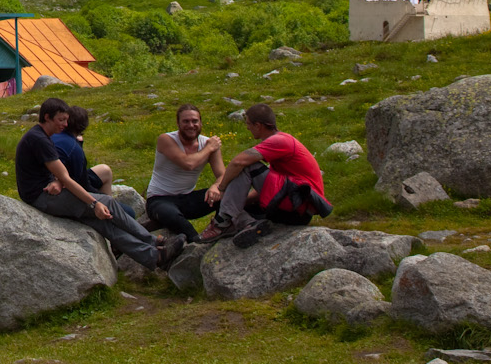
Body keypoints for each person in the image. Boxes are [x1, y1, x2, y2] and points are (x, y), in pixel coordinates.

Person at [16, 96, 184, 270]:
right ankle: (153, 241)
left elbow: (54, 172)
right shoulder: (40, 139)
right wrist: (94, 203)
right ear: (47, 117)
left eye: (66, 120)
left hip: (44, 192)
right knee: (108, 202)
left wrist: (56, 181)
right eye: (61, 120)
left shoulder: (43, 136)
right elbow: (66, 177)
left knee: (102, 223)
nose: (65, 124)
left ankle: (154, 256)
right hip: (41, 197)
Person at [201, 103, 329, 248]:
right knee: (233, 206)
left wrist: (222, 188)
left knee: (248, 166)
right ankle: (249, 225)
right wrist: (240, 200)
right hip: (296, 206)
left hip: (297, 208)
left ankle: (222, 223)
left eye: (249, 124)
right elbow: (271, 186)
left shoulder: (279, 141)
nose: (247, 127)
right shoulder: (281, 141)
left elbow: (238, 162)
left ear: (258, 125)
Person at [145, 104, 225, 242]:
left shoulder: (207, 143)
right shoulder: (166, 139)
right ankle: (196, 241)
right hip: (160, 199)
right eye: (186, 121)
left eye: (195, 121)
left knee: (228, 193)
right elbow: (188, 164)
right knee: (170, 214)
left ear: (200, 122)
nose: (191, 125)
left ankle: (220, 228)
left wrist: (215, 186)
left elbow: (223, 175)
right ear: (178, 123)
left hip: (187, 198)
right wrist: (209, 148)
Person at [52, 105, 112, 195]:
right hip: (69, 186)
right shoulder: (75, 149)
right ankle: (109, 205)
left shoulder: (53, 135)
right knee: (125, 209)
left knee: (105, 170)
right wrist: (101, 198)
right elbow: (83, 184)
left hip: (60, 179)